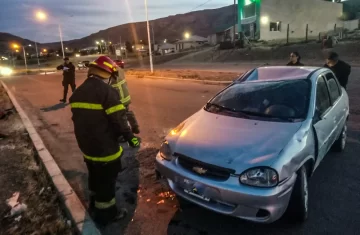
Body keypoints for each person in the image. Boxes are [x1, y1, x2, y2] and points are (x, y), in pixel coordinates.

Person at [69, 56, 140, 226]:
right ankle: (107, 214)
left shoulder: (78, 91)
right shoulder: (107, 91)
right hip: (105, 146)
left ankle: (94, 203)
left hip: (86, 145)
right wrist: (131, 138)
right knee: (107, 181)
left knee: (94, 175)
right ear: (108, 73)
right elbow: (119, 120)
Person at [108, 60, 140, 134]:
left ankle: (125, 132)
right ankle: (135, 127)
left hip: (119, 99)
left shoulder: (112, 75)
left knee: (118, 116)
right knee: (127, 112)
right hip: (125, 97)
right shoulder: (119, 70)